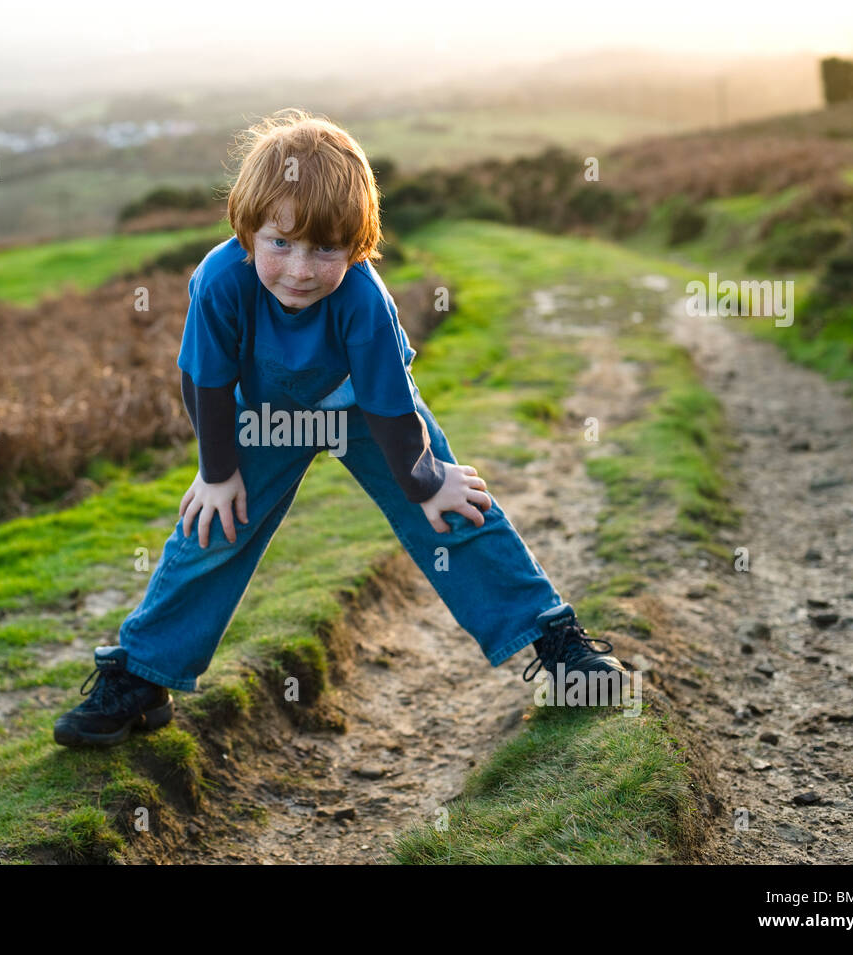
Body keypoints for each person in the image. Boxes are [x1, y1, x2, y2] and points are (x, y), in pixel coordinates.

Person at [54, 108, 623, 747]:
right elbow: (205, 383)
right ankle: (142, 676)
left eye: (325, 249)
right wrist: (216, 475)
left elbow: (388, 401)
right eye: (281, 243)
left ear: (355, 247)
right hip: (262, 420)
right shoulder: (220, 282)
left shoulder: (363, 298)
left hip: (363, 412)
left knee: (451, 506)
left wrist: (426, 477)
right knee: (211, 527)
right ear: (247, 230)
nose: (300, 269)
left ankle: (554, 641)